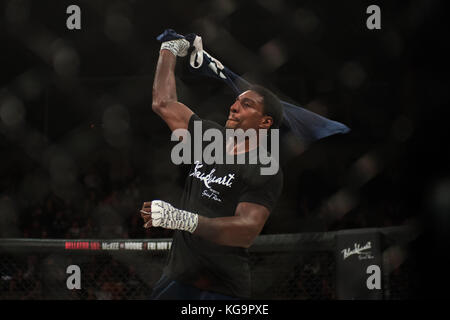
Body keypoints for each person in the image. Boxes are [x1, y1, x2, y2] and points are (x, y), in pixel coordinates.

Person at [140, 34, 284, 300]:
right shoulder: (210, 137)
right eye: (236, 101)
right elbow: (163, 103)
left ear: (265, 123)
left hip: (222, 287)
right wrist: (169, 49)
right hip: (177, 276)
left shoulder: (265, 166)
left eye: (246, 104)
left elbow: (245, 231)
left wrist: (180, 219)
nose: (233, 107)